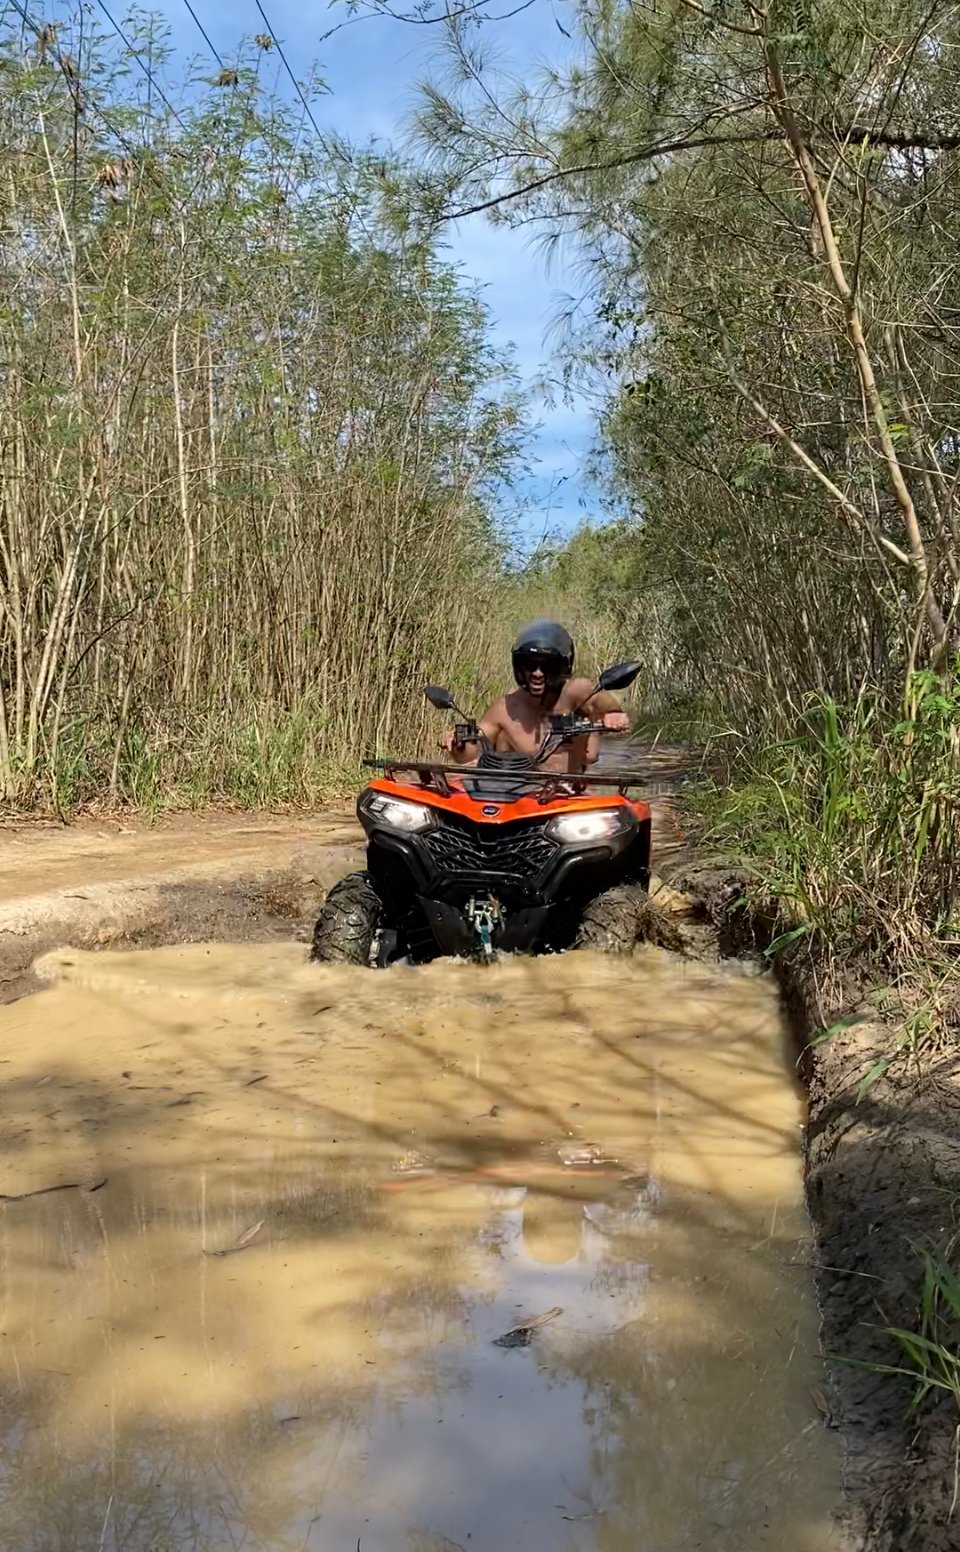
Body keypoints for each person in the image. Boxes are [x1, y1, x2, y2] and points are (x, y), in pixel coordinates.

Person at [441, 620, 630, 774]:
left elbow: (599, 700)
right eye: (529, 665)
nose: (537, 673)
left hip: (568, 797)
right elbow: (471, 751)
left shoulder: (576, 692)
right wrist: (458, 744)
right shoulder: (506, 708)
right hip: (519, 796)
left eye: (547, 666)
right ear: (519, 666)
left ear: (562, 667)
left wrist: (612, 713)